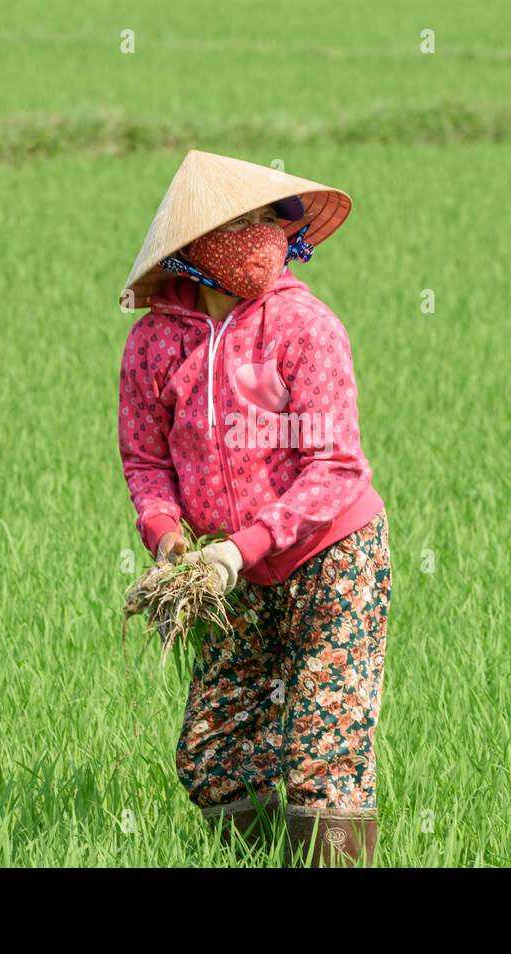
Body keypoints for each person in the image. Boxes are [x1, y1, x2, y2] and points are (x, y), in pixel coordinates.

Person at [117, 150, 390, 866]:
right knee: (212, 754)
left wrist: (239, 548)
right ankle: (255, 857)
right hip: (224, 572)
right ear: (198, 243)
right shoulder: (153, 343)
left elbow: (334, 466)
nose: (264, 235)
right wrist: (171, 541)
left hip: (330, 559)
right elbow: (146, 462)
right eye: (245, 223)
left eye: (274, 221)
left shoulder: (305, 328)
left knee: (323, 754)